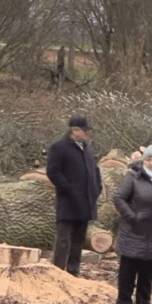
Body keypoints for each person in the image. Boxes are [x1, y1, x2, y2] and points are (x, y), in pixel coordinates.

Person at [114, 145, 152, 304]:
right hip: (133, 229)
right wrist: (131, 216)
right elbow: (119, 197)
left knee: (148, 268)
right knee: (129, 266)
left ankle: (144, 300)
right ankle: (124, 298)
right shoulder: (133, 177)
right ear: (143, 160)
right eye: (148, 159)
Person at [46, 115, 102, 277]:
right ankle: (57, 271)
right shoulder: (59, 147)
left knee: (79, 240)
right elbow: (53, 171)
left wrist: (96, 188)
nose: (87, 134)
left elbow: (95, 170)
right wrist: (68, 188)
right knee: (63, 240)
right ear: (74, 130)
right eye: (84, 130)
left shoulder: (88, 148)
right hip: (68, 201)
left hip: (86, 201)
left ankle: (73, 271)